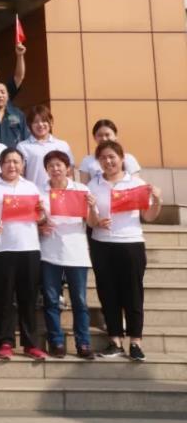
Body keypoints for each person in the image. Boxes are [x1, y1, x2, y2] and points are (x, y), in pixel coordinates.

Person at [87, 140, 162, 361]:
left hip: (131, 244)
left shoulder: (136, 183)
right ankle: (115, 341)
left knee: (133, 293)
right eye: (103, 158)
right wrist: (97, 220)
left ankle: (136, 341)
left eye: (112, 156)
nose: (108, 161)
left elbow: (148, 216)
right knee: (107, 292)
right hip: (102, 244)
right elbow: (90, 221)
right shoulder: (93, 185)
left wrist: (157, 200)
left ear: (122, 159)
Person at [0, 148, 48, 361]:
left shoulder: (31, 187)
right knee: (3, 298)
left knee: (28, 298)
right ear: (0, 164)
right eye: (8, 161)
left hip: (28, 247)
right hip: (0, 248)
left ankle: (31, 344)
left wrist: (41, 214)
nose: (12, 165)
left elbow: (40, 218)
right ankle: (4, 342)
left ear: (22, 165)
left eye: (16, 162)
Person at [39, 150, 95, 359]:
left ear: (68, 168)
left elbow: (92, 223)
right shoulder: (40, 191)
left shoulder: (81, 190)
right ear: (46, 170)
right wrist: (40, 223)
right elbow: (35, 220)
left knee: (79, 301)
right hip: (49, 252)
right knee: (51, 300)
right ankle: (56, 341)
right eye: (51, 166)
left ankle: (84, 343)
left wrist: (92, 207)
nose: (55, 169)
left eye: (59, 165)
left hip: (76, 252)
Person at [17, 105, 74, 190]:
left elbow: (69, 172)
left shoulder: (62, 145)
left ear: (51, 122)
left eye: (44, 121)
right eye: (36, 122)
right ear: (29, 125)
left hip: (59, 193)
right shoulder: (23, 146)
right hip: (34, 192)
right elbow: (20, 174)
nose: (40, 125)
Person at [78, 119, 143, 183]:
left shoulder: (128, 158)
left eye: (107, 135)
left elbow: (136, 184)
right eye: (100, 135)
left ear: (115, 136)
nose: (104, 138)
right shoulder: (87, 161)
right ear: (94, 138)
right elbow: (85, 187)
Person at [0, 80, 29, 147]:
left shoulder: (16, 114)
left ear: (8, 95)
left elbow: (26, 138)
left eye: (3, 92)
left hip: (14, 153)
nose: (0, 95)